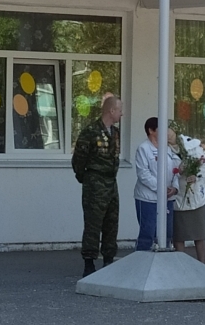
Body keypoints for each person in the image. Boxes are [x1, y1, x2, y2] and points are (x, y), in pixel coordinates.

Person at [71, 95, 124, 278]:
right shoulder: (91, 132)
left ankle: (109, 259)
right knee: (93, 224)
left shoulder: (115, 133)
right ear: (111, 110)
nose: (121, 114)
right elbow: (78, 160)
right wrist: (86, 178)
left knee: (111, 222)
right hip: (95, 183)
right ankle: (89, 262)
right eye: (119, 110)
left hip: (111, 183)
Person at [134, 118, 180, 251]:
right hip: (148, 199)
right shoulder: (143, 148)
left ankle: (163, 262)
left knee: (167, 234)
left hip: (167, 198)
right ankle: (141, 260)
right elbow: (143, 174)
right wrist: (161, 188)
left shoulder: (168, 148)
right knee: (148, 233)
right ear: (151, 131)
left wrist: (175, 188)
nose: (166, 131)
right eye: (161, 128)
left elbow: (176, 169)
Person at [172, 134, 205, 262]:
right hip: (179, 196)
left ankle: (202, 264)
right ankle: (180, 264)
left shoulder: (191, 146)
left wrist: (196, 175)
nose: (168, 135)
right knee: (179, 234)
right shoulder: (164, 149)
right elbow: (165, 172)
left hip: (196, 196)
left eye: (170, 132)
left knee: (199, 233)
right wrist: (179, 171)